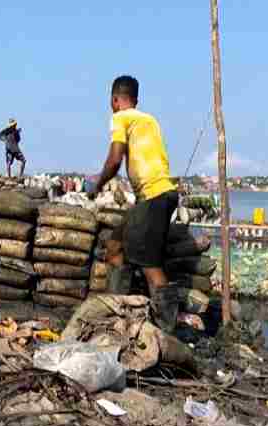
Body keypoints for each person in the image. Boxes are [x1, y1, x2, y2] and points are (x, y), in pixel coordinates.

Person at [87, 75, 180, 333]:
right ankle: (117, 311)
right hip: (154, 196)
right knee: (115, 246)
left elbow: (115, 159)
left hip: (154, 195)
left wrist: (97, 183)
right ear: (136, 100)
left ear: (114, 100)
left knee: (150, 264)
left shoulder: (120, 117)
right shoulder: (149, 119)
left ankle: (165, 331)